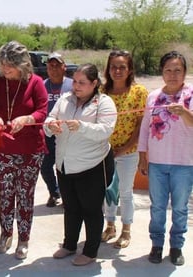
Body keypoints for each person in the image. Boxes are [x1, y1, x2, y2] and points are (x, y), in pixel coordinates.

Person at [44, 63, 117, 266]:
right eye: (74, 81)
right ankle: (69, 245)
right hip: (64, 164)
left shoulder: (104, 102)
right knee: (71, 208)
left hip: (92, 165)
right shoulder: (65, 99)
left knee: (91, 209)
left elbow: (105, 130)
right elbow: (49, 118)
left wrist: (82, 127)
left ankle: (91, 251)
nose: (76, 86)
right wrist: (50, 126)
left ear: (94, 83)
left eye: (82, 82)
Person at [0, 41, 48, 260]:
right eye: (2, 65)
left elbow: (43, 110)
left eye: (9, 66)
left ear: (22, 65)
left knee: (25, 195)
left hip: (31, 149)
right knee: (5, 194)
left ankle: (24, 238)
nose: (4, 70)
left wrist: (29, 118)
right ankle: (5, 234)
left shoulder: (36, 82)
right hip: (3, 147)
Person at [138, 51, 193, 266]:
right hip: (157, 162)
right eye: (168, 70)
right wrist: (143, 155)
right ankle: (157, 245)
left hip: (185, 163)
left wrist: (185, 113)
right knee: (157, 206)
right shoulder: (153, 96)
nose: (172, 75)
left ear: (185, 72)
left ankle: (176, 246)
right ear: (161, 72)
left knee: (180, 207)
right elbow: (145, 128)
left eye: (177, 70)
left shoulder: (190, 95)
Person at [100, 50, 148, 248]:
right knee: (108, 191)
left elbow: (140, 125)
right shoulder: (102, 92)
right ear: (108, 69)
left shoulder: (139, 92)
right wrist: (109, 149)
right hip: (104, 152)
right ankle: (110, 226)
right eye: (113, 67)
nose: (117, 71)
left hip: (128, 152)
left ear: (129, 70)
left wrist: (124, 148)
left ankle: (126, 230)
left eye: (122, 67)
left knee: (126, 192)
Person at [41, 52, 73, 207]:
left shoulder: (72, 85)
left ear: (64, 67)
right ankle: (54, 192)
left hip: (66, 133)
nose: (53, 69)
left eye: (57, 65)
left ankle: (68, 196)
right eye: (50, 66)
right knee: (45, 166)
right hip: (47, 133)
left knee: (65, 166)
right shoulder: (41, 85)